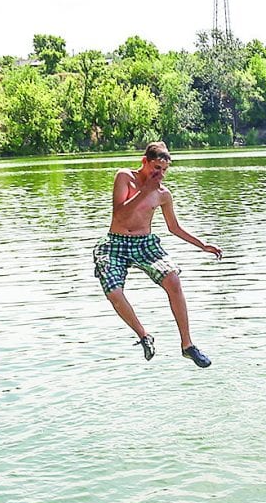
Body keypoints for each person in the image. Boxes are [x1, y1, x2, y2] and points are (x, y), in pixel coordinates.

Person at [93, 141, 222, 367]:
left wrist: (202, 245)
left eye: (164, 170)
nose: (159, 174)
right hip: (116, 242)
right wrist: (144, 191)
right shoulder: (125, 177)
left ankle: (187, 345)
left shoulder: (163, 195)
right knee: (113, 292)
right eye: (155, 168)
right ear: (145, 162)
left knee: (173, 279)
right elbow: (120, 215)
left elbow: (174, 227)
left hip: (144, 243)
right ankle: (144, 336)